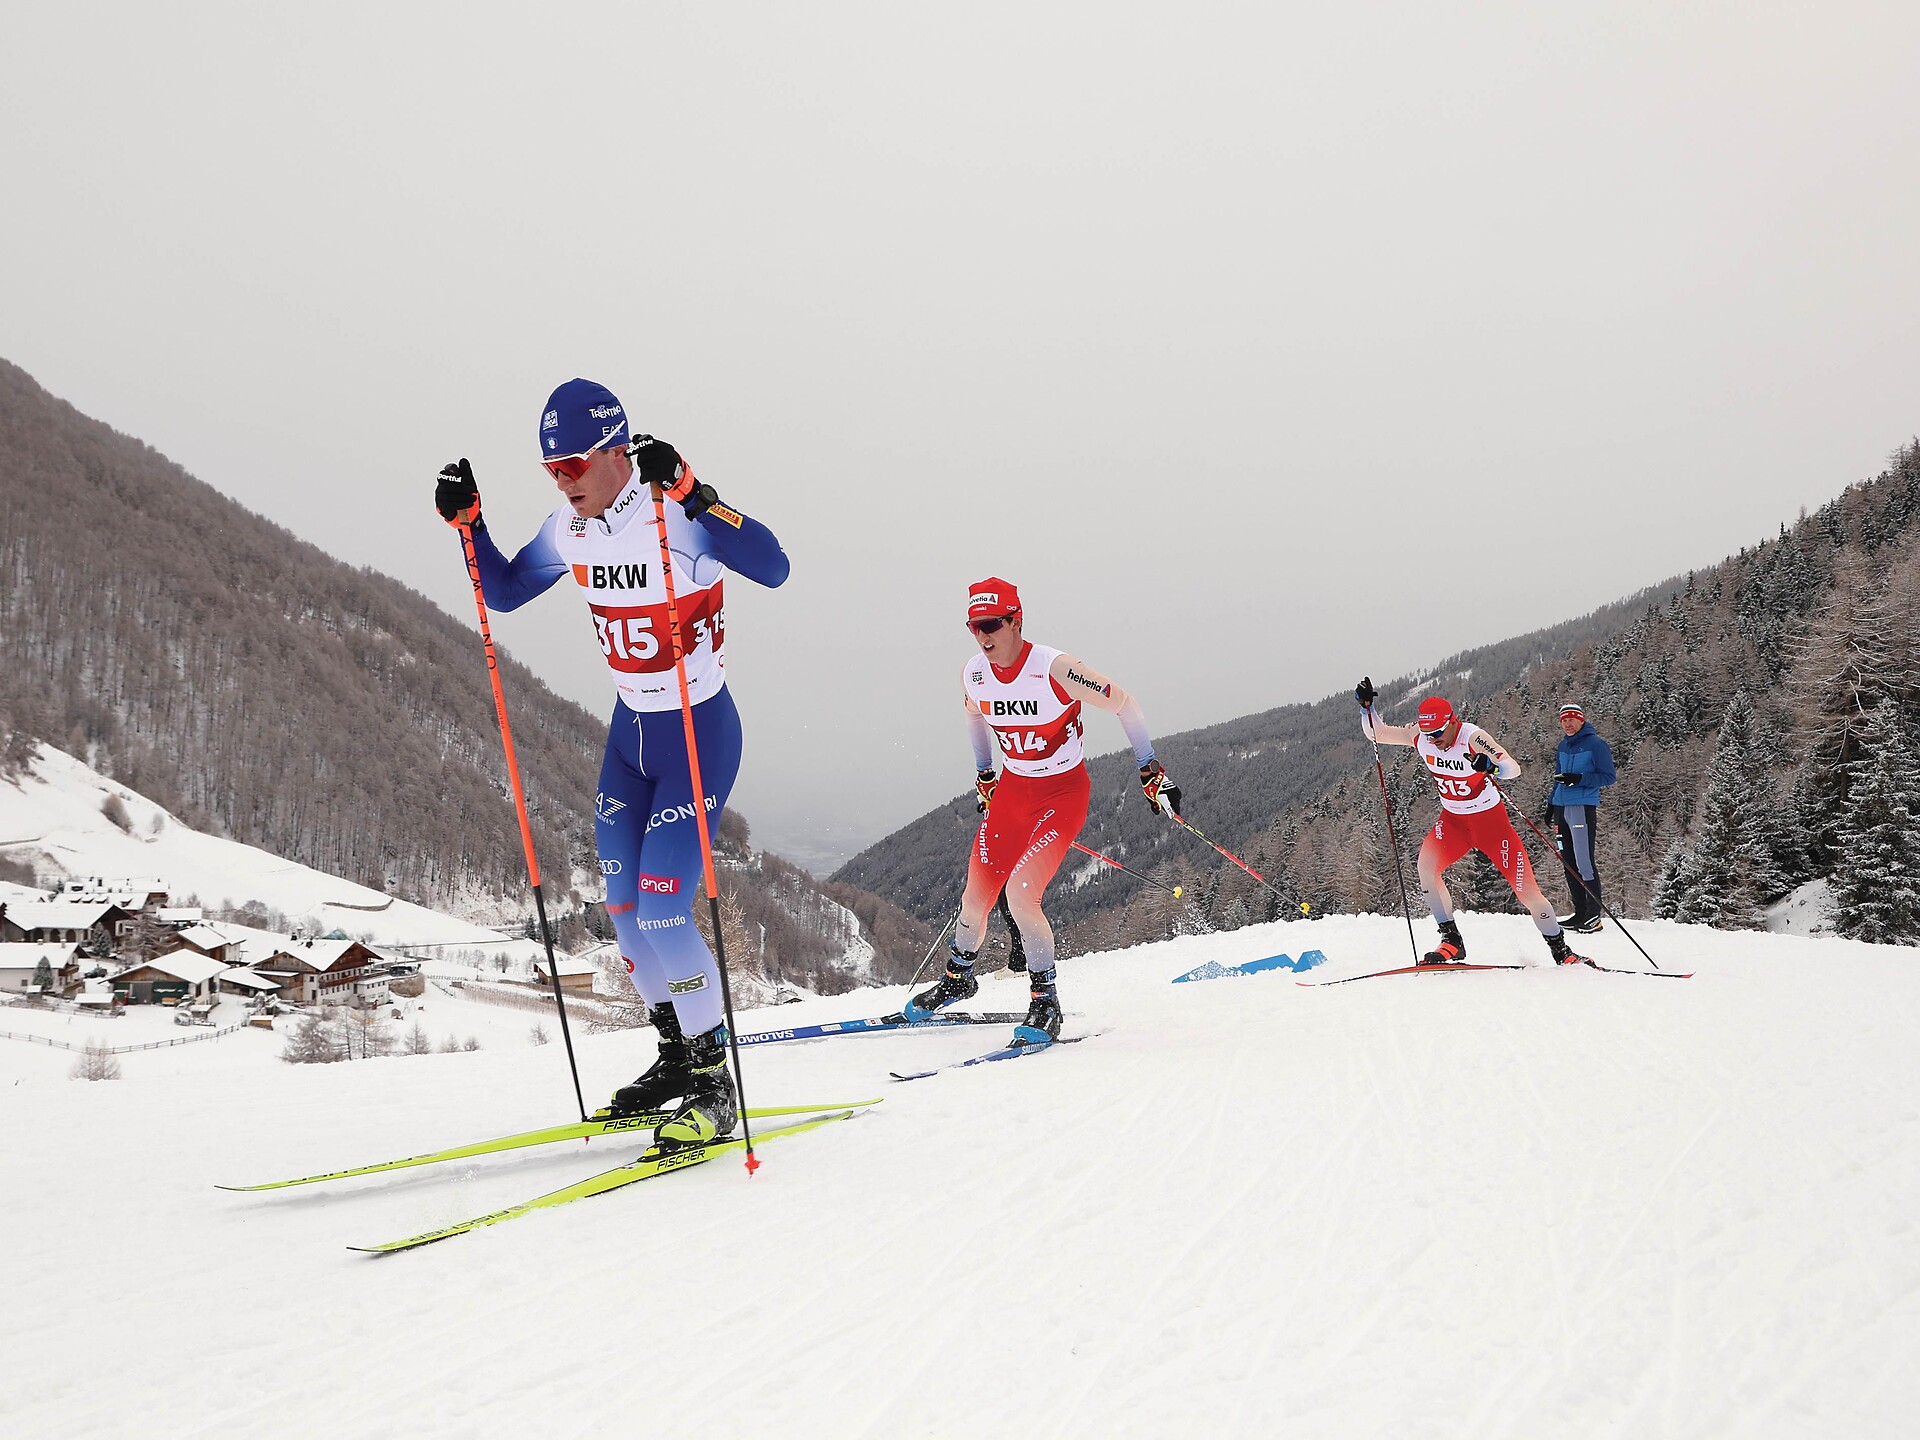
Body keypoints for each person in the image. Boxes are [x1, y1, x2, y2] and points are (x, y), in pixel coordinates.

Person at [435, 378, 789, 1149]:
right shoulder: (569, 530)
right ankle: (674, 1056)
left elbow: (773, 565)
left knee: (665, 907)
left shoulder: (676, 516)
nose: (560, 479)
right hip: (629, 739)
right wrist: (471, 525)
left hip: (699, 732)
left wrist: (698, 492)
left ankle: (713, 1082)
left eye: (570, 463)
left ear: (615, 451)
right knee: (625, 913)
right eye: (548, 467)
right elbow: (504, 591)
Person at [904, 578, 1180, 1043]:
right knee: (976, 891)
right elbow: (974, 715)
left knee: (1021, 894)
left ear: (1016, 621)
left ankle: (1045, 1000)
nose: (983, 636)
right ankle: (959, 977)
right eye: (974, 627)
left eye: (992, 624)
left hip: (1062, 794)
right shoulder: (974, 672)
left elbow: (1125, 704)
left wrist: (1148, 768)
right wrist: (985, 773)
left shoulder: (1056, 668)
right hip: (1013, 791)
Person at [1353, 679, 1587, 967]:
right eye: (1428, 734)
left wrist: (1491, 766)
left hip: (1491, 825)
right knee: (1426, 868)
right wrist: (1367, 708)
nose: (1433, 739)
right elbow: (1378, 733)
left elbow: (1512, 768)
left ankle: (1562, 952)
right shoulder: (1422, 735)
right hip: (1453, 823)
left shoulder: (1472, 737)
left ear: (1452, 722)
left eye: (1438, 733)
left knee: (1527, 891)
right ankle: (1451, 940)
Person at [1550, 701, 1616, 933]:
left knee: (1583, 861)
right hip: (1561, 807)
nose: (1567, 724)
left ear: (1581, 719)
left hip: (1581, 807)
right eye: (1563, 720)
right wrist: (1551, 804)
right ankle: (1579, 913)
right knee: (1568, 861)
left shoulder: (1596, 744)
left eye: (1571, 719)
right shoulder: (1563, 746)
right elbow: (1557, 777)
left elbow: (1608, 777)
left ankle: (1593, 915)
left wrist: (1579, 779)